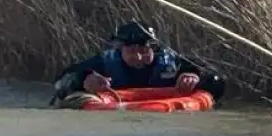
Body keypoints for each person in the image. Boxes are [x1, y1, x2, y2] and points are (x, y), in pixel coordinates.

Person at [50, 20, 227, 108]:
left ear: (154, 48)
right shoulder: (103, 63)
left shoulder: (173, 63)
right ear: (121, 49)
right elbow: (59, 83)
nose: (139, 57)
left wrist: (194, 76)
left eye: (144, 50)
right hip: (113, 107)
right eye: (132, 50)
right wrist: (82, 81)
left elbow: (217, 80)